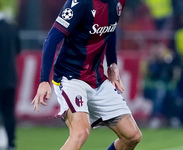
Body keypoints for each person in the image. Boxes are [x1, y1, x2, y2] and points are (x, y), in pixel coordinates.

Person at [32, 0, 142, 149]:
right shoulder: (80, 3)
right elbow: (52, 39)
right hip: (71, 77)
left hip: (97, 78)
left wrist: (112, 63)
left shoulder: (119, 2)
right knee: (80, 132)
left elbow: (111, 26)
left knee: (132, 136)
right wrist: (44, 80)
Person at [0, 3, 20, 150]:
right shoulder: (11, 27)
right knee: (9, 113)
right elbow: (18, 49)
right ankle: (11, 143)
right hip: (9, 78)